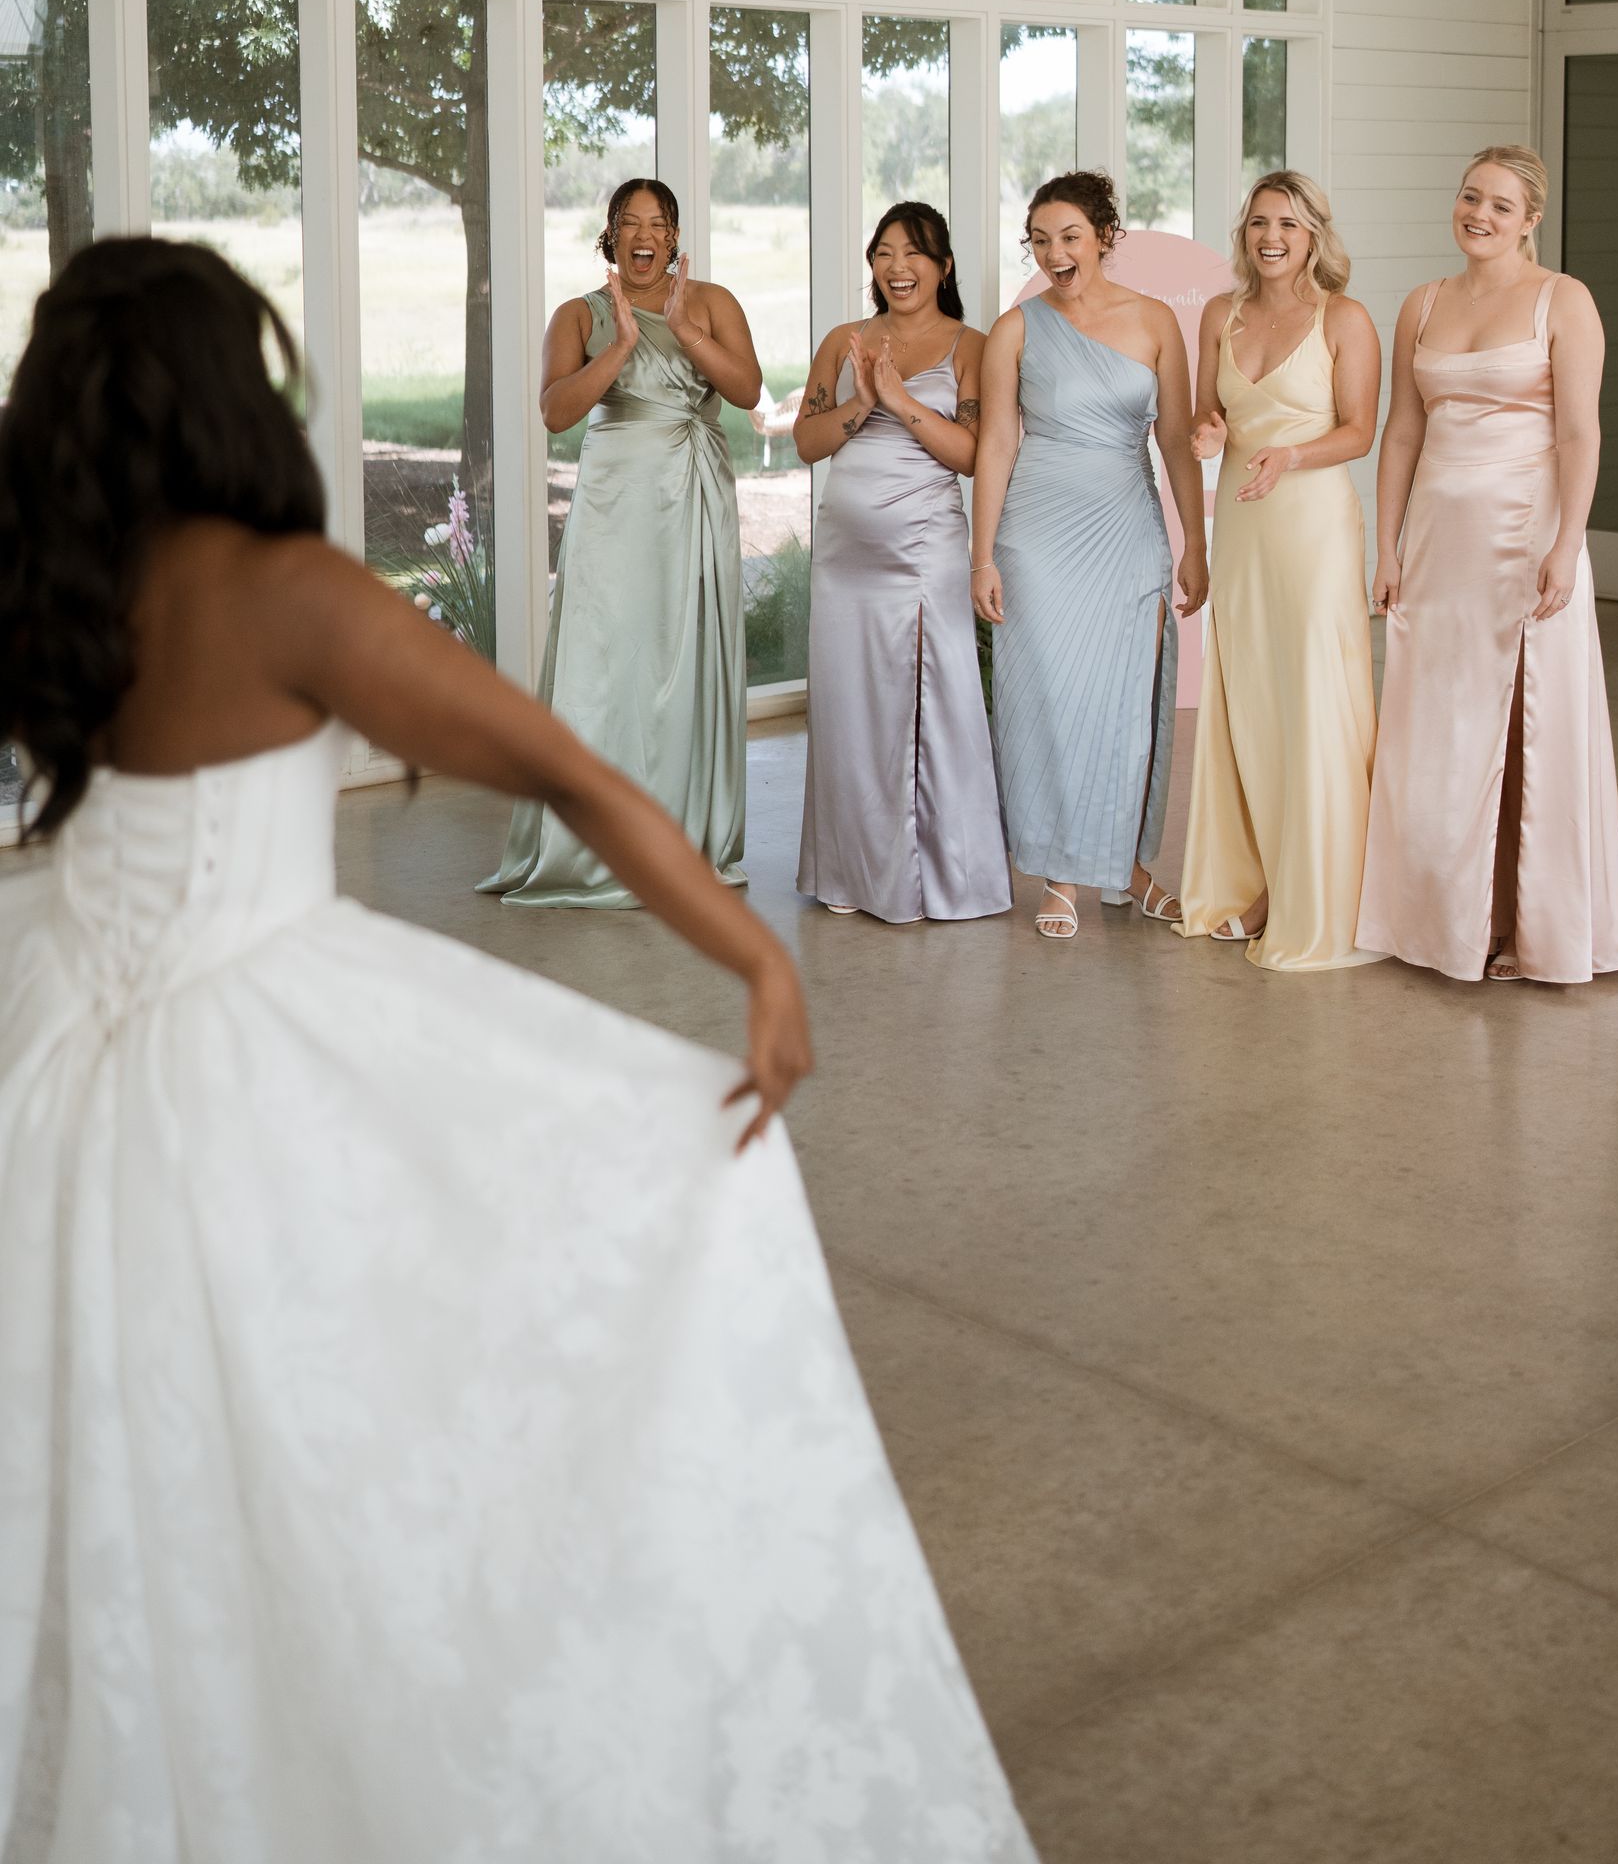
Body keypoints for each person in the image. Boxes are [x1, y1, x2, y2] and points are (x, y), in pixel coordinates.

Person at [0, 238, 1039, 1864]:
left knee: (93, 1440)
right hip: (238, 1062)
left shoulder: (51, 590)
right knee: (326, 1431)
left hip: (51, 1052)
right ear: (227, 393)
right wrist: (754, 951)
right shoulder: (279, 588)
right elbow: (561, 769)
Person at [1356, 147, 1618, 984]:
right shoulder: (1422, 303)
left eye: (1501, 206)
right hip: (1439, 542)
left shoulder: (1565, 301)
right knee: (1437, 727)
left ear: (1532, 219)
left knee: (1530, 725)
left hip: (1530, 538)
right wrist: (1387, 545)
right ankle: (1442, 918)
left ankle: (1529, 927)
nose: (1479, 214)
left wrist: (1568, 544)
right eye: (1470, 197)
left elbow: (1580, 433)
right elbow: (1402, 432)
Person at [484, 176, 758, 901]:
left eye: (658, 222)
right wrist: (622, 346)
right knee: (606, 659)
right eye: (630, 222)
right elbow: (555, 412)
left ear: (674, 236)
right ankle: (594, 841)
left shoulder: (714, 302)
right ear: (612, 235)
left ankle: (684, 834)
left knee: (685, 654)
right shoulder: (578, 314)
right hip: (615, 507)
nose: (645, 234)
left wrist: (686, 329)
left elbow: (748, 391)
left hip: (694, 496)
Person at [970, 171, 1207, 941]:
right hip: (1036, 533)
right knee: (1044, 703)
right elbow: (997, 443)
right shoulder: (1017, 327)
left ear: (1105, 236)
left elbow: (1175, 442)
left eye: (1069, 236)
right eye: (1039, 240)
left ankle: (1130, 869)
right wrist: (982, 557)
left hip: (1128, 527)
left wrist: (1194, 542)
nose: (1054, 253)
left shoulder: (1156, 323)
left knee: (1126, 706)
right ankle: (1060, 873)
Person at [1177, 171, 1383, 971]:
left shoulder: (1347, 319)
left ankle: (1326, 893)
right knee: (1253, 701)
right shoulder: (1217, 317)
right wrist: (1206, 435)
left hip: (1312, 525)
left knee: (1314, 699)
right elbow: (1209, 415)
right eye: (1260, 222)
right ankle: (1258, 881)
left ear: (1314, 237)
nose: (1271, 237)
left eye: (1289, 225)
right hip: (1242, 523)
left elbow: (1362, 430)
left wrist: (1291, 452)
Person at [795, 204, 1009, 925]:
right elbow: (808, 442)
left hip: (926, 550)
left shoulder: (972, 345)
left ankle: (942, 878)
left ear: (943, 266)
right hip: (845, 554)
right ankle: (851, 871)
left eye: (913, 253)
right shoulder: (843, 341)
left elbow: (973, 455)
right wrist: (862, 402)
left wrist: (898, 401)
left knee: (933, 705)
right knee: (849, 706)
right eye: (883, 253)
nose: (897, 267)